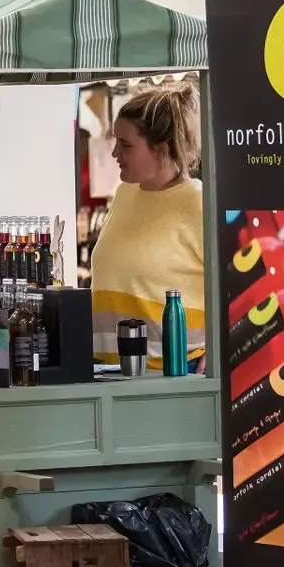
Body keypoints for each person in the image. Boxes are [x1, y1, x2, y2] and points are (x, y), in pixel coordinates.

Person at [87, 82, 205, 366]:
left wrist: (221, 347)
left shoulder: (198, 203)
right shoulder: (125, 193)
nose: (115, 153)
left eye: (125, 145)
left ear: (161, 150)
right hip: (109, 371)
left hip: (171, 373)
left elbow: (239, 289)